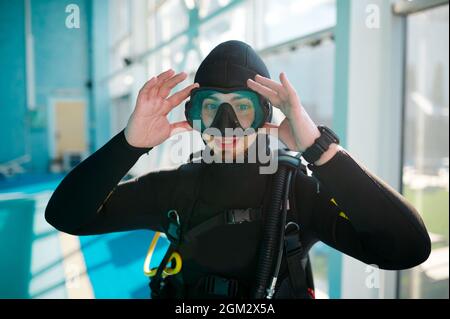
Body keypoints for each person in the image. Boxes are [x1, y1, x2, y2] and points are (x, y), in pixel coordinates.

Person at [45, 40, 430, 299]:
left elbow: (406, 248)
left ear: (265, 113)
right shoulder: (172, 190)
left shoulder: (296, 193)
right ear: (194, 115)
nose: (226, 123)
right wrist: (130, 144)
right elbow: (66, 215)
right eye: (212, 106)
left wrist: (318, 148)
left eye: (241, 107)